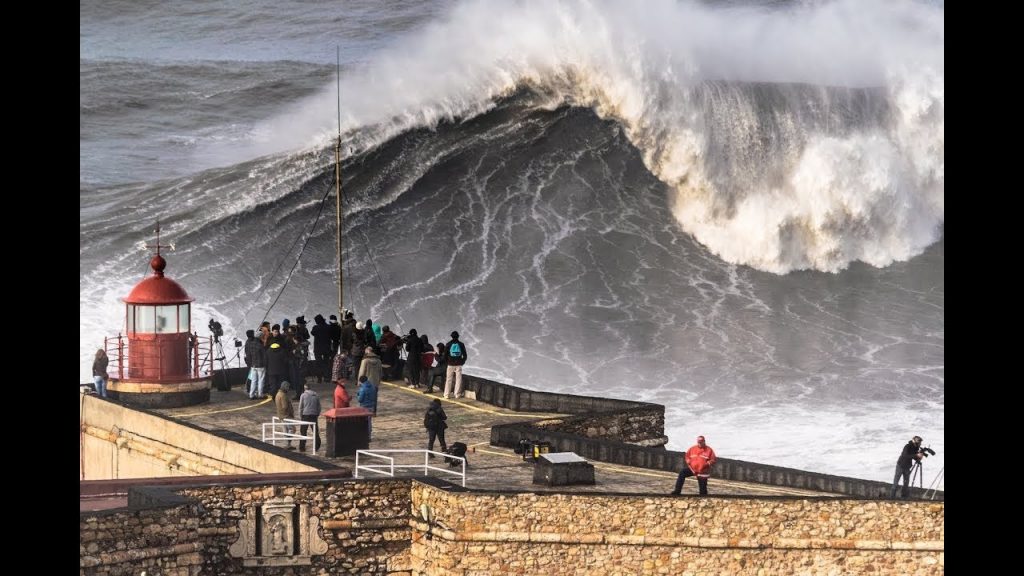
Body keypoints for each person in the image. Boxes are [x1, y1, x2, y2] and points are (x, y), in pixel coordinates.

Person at [443, 331, 468, 399]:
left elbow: (445, 356)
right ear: (458, 336)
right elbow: (465, 355)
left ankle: (446, 394)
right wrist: (462, 362)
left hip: (450, 364)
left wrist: (447, 362)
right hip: (458, 364)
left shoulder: (448, 344)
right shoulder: (461, 344)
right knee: (458, 379)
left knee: (448, 379)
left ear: (451, 336)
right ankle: (457, 394)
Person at [298, 383, 321, 452]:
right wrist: (317, 414)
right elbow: (319, 406)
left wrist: (300, 416)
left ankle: (302, 447)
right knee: (315, 431)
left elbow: (300, 407)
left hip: (305, 415)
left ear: (304, 389)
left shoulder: (303, 395)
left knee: (303, 431)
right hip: (314, 414)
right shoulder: (316, 395)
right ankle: (317, 445)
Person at [275, 381, 296, 450]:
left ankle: (288, 443)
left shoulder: (278, 394)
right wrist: (290, 413)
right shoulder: (283, 395)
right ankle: (288, 443)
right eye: (288, 387)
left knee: (285, 430)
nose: (288, 389)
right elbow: (285, 406)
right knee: (292, 429)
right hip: (286, 416)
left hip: (281, 415)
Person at [357, 375, 378, 439]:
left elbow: (360, 399)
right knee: (369, 421)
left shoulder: (363, 389)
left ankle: (364, 435)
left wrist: (358, 394)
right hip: (371, 406)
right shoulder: (373, 386)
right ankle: (369, 435)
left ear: (361, 381)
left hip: (364, 407)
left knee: (364, 422)